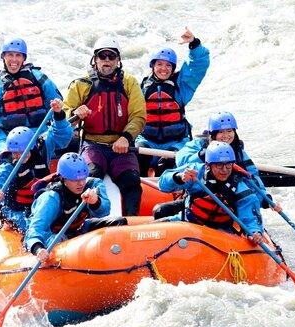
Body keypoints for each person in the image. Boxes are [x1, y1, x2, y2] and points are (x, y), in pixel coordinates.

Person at [63, 35, 146, 216]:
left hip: (121, 147)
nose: (107, 61)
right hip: (93, 145)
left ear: (118, 60)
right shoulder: (81, 84)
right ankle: (89, 221)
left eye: (111, 56)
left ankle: (130, 224)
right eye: (102, 56)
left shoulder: (129, 83)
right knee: (90, 179)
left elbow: (138, 115)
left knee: (132, 183)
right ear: (95, 60)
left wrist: (126, 138)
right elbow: (64, 113)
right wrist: (75, 115)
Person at [0, 99, 74, 233]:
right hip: (14, 209)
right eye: (15, 153)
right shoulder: (7, 166)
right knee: (30, 225)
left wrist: (58, 115)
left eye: (22, 152)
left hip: (38, 201)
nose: (18, 156)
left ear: (32, 147)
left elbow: (62, 136)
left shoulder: (42, 148)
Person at [0, 37, 64, 169]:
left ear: (24, 58)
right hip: (7, 139)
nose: (14, 60)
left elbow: (58, 108)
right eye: (10, 55)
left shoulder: (39, 78)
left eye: (18, 55)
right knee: (10, 159)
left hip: (39, 133)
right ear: (3, 56)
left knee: (52, 146)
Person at [25, 152, 127, 261]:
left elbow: (105, 212)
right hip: (55, 236)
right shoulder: (51, 198)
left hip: (79, 228)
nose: (81, 183)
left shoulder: (94, 184)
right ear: (63, 178)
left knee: (120, 222)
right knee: (62, 241)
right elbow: (35, 229)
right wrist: (38, 249)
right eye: (75, 180)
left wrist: (96, 202)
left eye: (83, 178)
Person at [135, 27, 210, 177]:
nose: (164, 69)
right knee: (139, 158)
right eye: (160, 64)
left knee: (167, 163)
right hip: (147, 140)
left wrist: (194, 44)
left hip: (175, 142)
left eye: (168, 65)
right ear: (153, 66)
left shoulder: (181, 86)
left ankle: (169, 184)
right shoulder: (140, 87)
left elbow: (198, 66)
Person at [158, 141, 264, 243]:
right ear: (208, 165)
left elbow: (250, 217)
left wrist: (254, 232)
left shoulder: (240, 188)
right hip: (188, 222)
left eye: (228, 165)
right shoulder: (196, 172)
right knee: (158, 223)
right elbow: (163, 184)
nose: (224, 170)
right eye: (219, 165)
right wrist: (179, 177)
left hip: (220, 231)